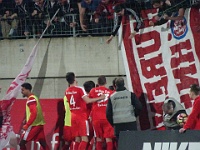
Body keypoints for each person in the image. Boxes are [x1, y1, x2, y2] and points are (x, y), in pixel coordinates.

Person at [64, 72, 105, 150]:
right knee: (85, 139)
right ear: (74, 78)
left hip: (73, 116)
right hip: (81, 116)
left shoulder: (67, 90)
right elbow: (87, 101)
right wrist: (100, 98)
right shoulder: (79, 89)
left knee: (77, 139)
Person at [106, 77, 142, 142]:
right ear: (124, 84)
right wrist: (134, 115)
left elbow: (108, 113)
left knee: (121, 143)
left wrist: (113, 123)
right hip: (130, 122)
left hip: (118, 124)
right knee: (132, 142)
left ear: (115, 85)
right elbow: (139, 107)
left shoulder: (112, 97)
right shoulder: (130, 94)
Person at [20, 83, 49, 150]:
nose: (22, 92)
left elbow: (34, 113)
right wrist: (26, 118)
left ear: (27, 89)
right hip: (40, 124)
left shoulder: (31, 99)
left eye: (23, 90)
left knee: (22, 143)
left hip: (34, 125)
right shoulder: (34, 97)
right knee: (43, 143)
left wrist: (27, 125)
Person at [89, 75, 114, 150]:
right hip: (107, 118)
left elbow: (89, 100)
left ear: (97, 82)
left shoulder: (93, 91)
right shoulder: (110, 92)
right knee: (108, 139)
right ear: (105, 82)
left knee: (99, 139)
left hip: (96, 118)